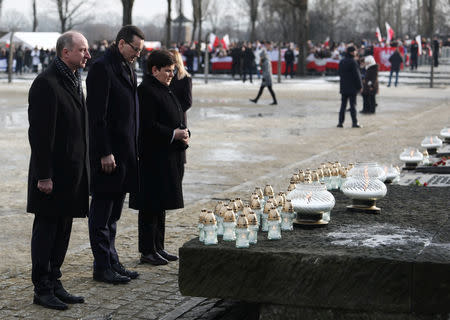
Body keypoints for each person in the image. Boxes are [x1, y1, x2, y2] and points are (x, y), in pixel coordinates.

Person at [27, 31, 91, 310]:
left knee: (63, 228)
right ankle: (42, 288)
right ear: (66, 52)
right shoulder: (46, 83)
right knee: (47, 229)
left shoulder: (74, 79)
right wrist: (43, 175)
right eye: (83, 50)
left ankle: (54, 280)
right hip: (52, 175)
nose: (88, 55)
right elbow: (40, 135)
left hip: (72, 172)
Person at [86, 25, 144, 284]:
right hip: (108, 157)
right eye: (135, 49)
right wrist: (104, 152)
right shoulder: (102, 67)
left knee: (114, 215)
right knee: (101, 215)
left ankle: (112, 260)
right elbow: (97, 117)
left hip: (124, 154)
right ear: (121, 44)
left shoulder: (126, 66)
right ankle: (102, 266)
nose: (138, 55)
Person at [130, 50, 188, 265]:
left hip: (168, 155)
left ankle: (159, 246)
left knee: (161, 203)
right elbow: (147, 126)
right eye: (167, 71)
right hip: (152, 157)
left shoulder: (165, 88)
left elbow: (175, 116)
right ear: (154, 70)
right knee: (150, 205)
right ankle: (147, 250)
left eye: (172, 71)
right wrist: (173, 134)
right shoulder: (146, 91)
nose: (171, 75)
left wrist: (184, 133)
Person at [169, 49, 192, 165]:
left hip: (179, 117)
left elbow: (188, 102)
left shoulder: (185, 78)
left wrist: (174, 110)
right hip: (165, 118)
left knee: (179, 152)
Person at [337, 46, 362, 128]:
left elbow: (339, 73)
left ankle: (340, 122)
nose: (356, 53)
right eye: (355, 51)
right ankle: (354, 122)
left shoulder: (342, 61)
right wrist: (360, 86)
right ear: (351, 52)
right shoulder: (353, 62)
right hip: (352, 87)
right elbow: (357, 75)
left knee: (343, 106)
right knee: (353, 106)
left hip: (344, 86)